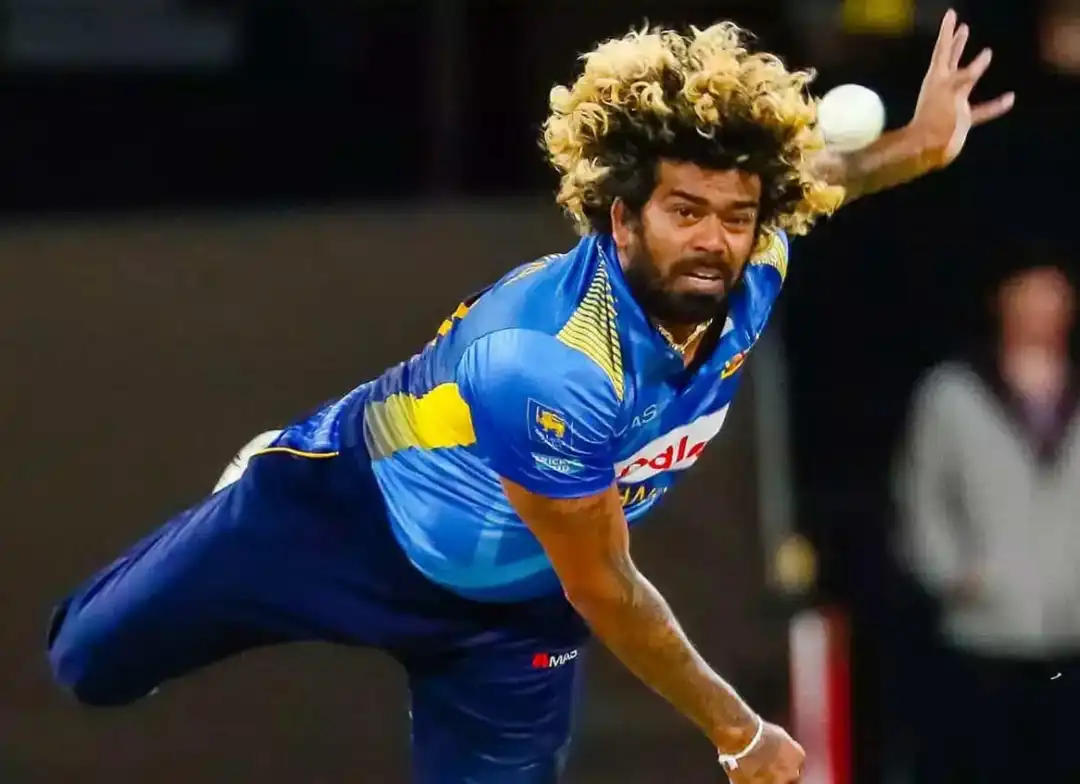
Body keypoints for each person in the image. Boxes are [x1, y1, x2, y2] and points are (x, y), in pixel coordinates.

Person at [47, 13, 1011, 783]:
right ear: (621, 217)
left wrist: (920, 148)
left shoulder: (753, 258)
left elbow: (818, 179)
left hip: (507, 619)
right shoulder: (552, 363)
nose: (713, 242)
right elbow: (606, 586)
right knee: (88, 666)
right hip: (338, 520)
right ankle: (258, 473)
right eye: (684, 212)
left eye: (735, 217)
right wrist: (738, 732)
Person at [896, 262, 1080, 784]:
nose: (1040, 308)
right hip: (984, 631)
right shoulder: (952, 395)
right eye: (1027, 293)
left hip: (1072, 629)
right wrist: (954, 575)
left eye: (1052, 294)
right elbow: (920, 496)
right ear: (1001, 301)